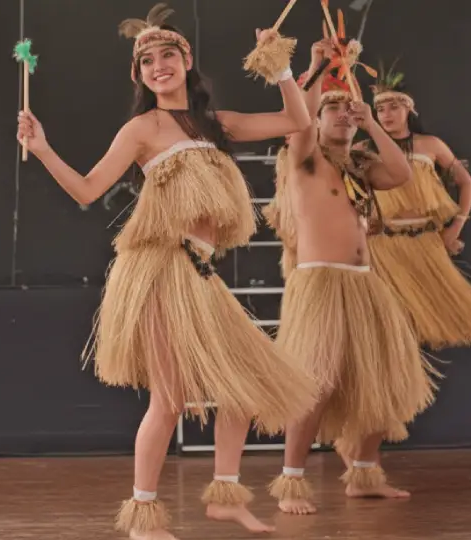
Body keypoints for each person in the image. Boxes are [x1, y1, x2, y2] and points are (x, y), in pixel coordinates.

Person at [17, 3, 318, 538]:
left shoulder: (215, 126)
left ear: (187, 60)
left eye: (168, 54)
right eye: (148, 60)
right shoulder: (142, 129)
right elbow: (88, 189)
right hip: (157, 268)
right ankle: (143, 514)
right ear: (139, 75)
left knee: (245, 390)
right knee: (170, 399)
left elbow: (298, 121)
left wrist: (281, 68)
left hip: (201, 274)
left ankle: (225, 496)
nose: (160, 65)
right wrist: (41, 149)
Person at [263, 41, 438, 515]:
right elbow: (298, 114)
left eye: (347, 107)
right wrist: (320, 65)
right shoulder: (304, 157)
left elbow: (402, 173)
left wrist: (373, 124)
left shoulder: (360, 164)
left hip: (365, 283)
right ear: (317, 119)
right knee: (315, 385)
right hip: (320, 283)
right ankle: (293, 480)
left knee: (386, 380)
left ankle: (363, 474)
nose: (341, 114)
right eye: (332, 108)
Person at [358, 62, 471, 349]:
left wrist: (456, 227)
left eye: (393, 107)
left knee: (428, 323)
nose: (386, 115)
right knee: (391, 328)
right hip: (381, 244)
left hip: (425, 241)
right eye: (380, 110)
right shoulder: (366, 150)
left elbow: (468, 184)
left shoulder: (430, 145)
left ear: (408, 110)